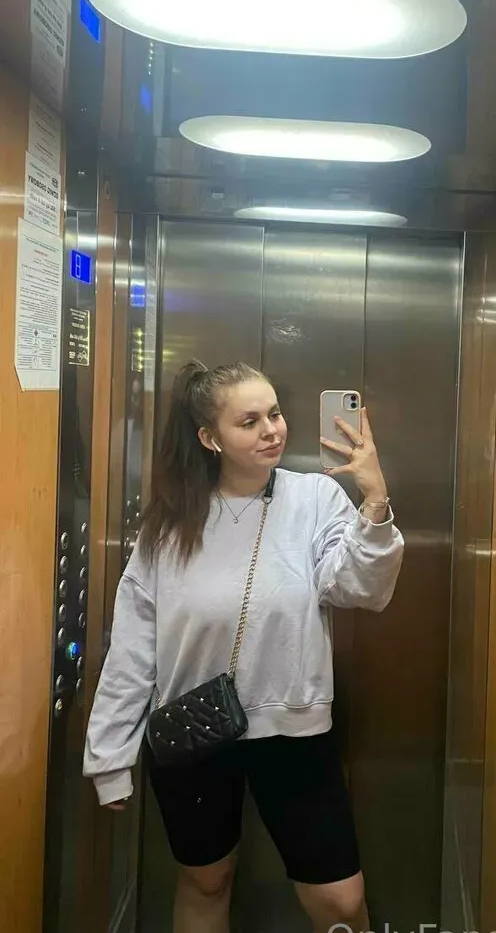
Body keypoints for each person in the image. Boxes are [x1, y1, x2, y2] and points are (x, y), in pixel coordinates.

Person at [83, 359, 404, 933]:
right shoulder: (170, 522)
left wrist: (374, 501)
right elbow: (133, 646)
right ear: (210, 438)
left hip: (294, 730)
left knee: (340, 901)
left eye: (274, 414)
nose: (271, 430)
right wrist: (109, 757)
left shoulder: (314, 499)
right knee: (206, 882)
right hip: (194, 733)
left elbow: (361, 588)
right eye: (249, 421)